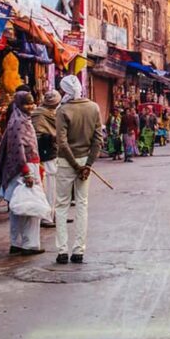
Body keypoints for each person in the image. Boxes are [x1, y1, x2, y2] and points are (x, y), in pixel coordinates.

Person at [0, 92, 45, 256]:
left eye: (32, 103)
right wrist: (27, 172)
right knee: (30, 208)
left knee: (18, 208)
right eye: (27, 104)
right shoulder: (19, 123)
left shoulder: (19, 121)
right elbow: (18, 150)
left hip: (21, 168)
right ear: (19, 104)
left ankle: (17, 243)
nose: (31, 106)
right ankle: (30, 244)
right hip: (22, 169)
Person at [55, 75, 103, 264]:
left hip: (67, 163)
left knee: (62, 206)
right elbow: (98, 139)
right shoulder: (93, 107)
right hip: (84, 163)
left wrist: (76, 165)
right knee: (82, 205)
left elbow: (61, 141)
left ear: (65, 91)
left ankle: (61, 251)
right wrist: (87, 165)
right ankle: (78, 251)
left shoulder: (63, 110)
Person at [32, 90, 61, 228]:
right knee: (48, 185)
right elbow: (38, 134)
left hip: (49, 152)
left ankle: (52, 214)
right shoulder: (39, 114)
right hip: (43, 152)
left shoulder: (48, 114)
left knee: (52, 186)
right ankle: (46, 216)